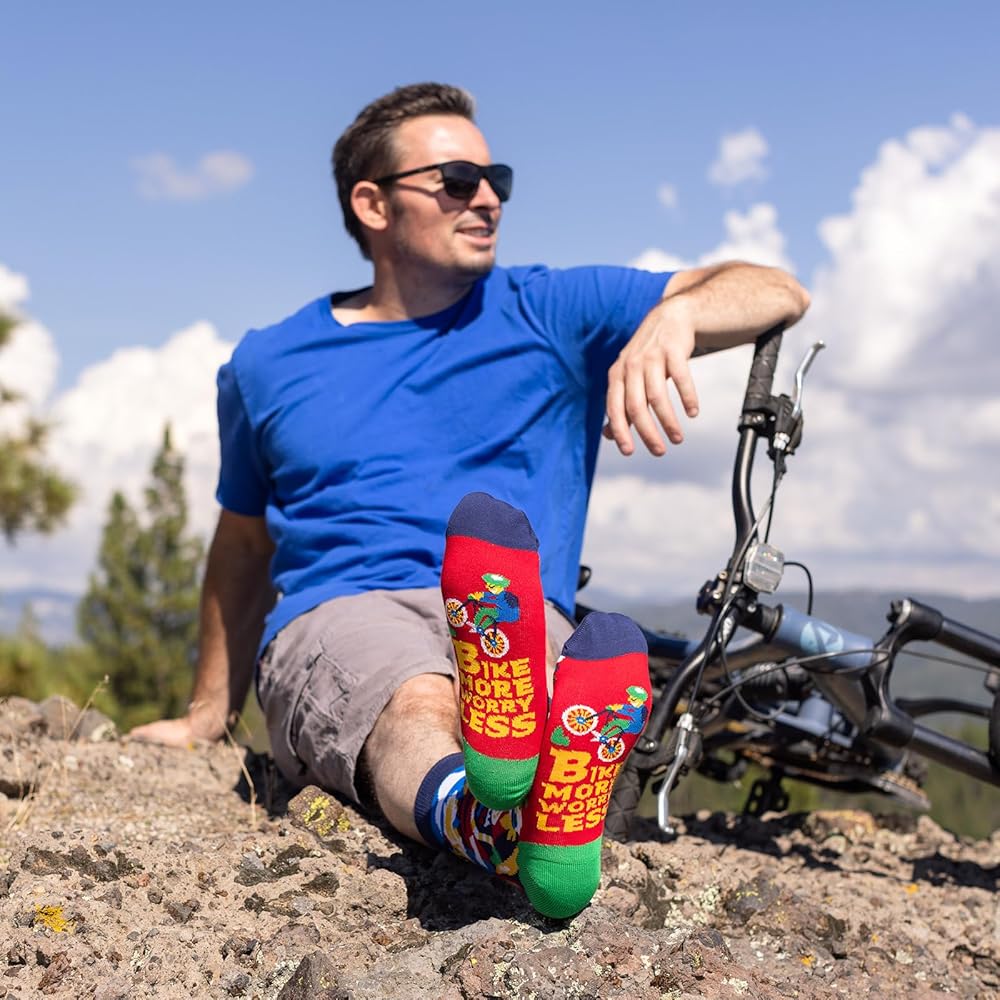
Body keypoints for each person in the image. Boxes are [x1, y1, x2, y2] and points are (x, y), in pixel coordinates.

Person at [131, 82, 810, 918]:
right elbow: (242, 545)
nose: (487, 198)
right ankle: (499, 816)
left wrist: (679, 315)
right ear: (372, 204)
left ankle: (510, 804)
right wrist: (206, 715)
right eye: (456, 180)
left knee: (516, 692)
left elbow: (776, 289)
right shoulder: (268, 363)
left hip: (517, 618)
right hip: (346, 605)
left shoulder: (548, 311)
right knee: (417, 698)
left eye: (497, 180)